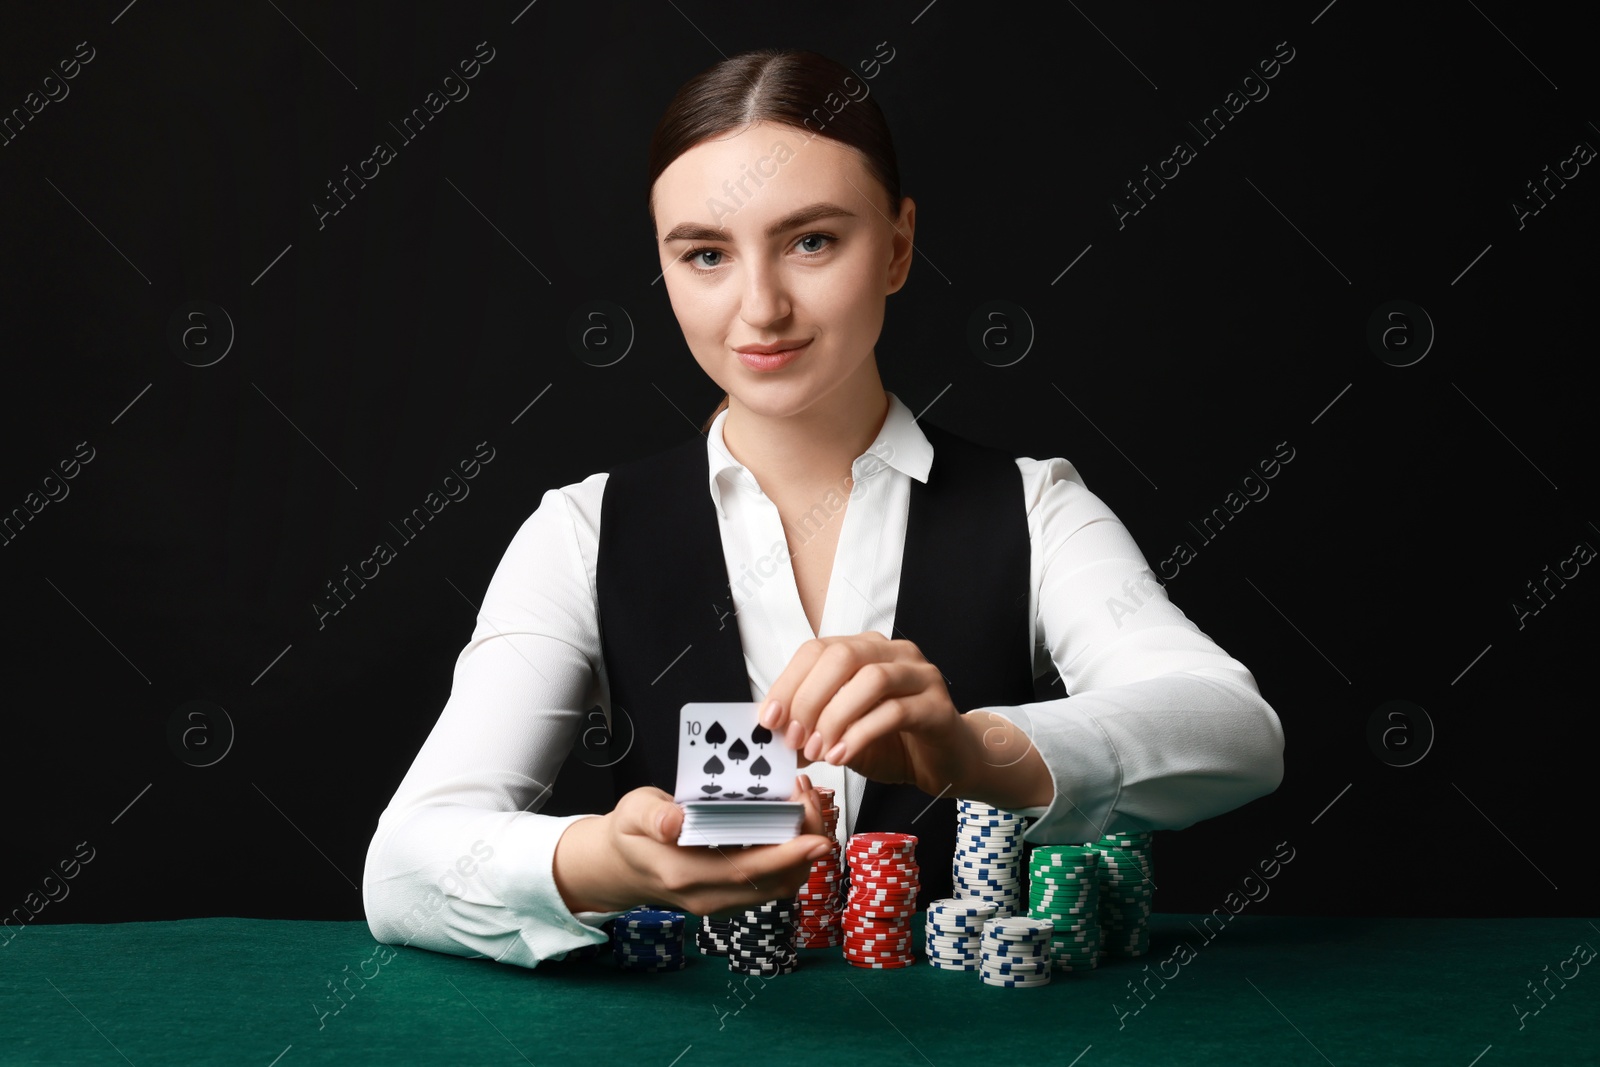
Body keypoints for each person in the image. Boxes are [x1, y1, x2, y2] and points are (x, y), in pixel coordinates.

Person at [361, 47, 1284, 969]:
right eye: (707, 254)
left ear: (897, 245)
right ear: (664, 265)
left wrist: (972, 749)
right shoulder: (579, 531)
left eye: (811, 241)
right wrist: (601, 860)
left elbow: (1235, 731)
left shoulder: (1036, 505)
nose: (760, 307)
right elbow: (399, 870)